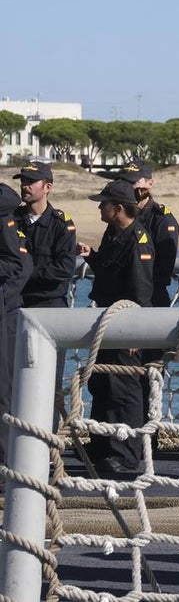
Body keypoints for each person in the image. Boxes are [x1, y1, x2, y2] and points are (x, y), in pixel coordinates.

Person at [75, 180, 154, 476]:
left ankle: (127, 453)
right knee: (102, 384)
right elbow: (109, 270)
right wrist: (92, 256)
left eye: (104, 203)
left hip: (126, 325)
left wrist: (135, 332)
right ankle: (102, 444)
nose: (99, 206)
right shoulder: (114, 234)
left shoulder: (138, 240)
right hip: (107, 320)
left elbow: (141, 290)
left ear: (118, 208)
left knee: (125, 389)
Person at [13, 162, 77, 429]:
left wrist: (25, 274)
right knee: (12, 377)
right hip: (17, 306)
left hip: (50, 309)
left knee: (49, 379)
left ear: (47, 187)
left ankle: (47, 442)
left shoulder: (62, 224)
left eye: (31, 181)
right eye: (23, 180)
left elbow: (63, 270)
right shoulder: (11, 219)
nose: (25, 186)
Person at [116, 160, 179, 423]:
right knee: (121, 374)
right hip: (124, 301)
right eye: (127, 181)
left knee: (150, 372)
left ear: (149, 184)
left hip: (152, 300)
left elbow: (162, 269)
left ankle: (149, 434)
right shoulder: (121, 214)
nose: (131, 186)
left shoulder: (162, 218)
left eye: (136, 181)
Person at [0, 181, 33, 466]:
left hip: (6, 311)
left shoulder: (3, 213)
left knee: (3, 390)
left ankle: (4, 462)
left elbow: (15, 264)